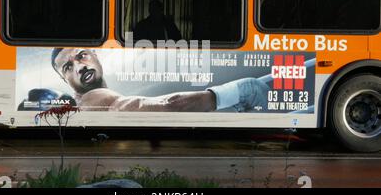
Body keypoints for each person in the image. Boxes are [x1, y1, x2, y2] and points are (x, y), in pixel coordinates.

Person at [51, 48, 270, 112]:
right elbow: (168, 105)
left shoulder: (93, 99)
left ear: (95, 55)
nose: (79, 67)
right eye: (68, 67)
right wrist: (232, 92)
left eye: (81, 55)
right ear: (64, 79)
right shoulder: (94, 98)